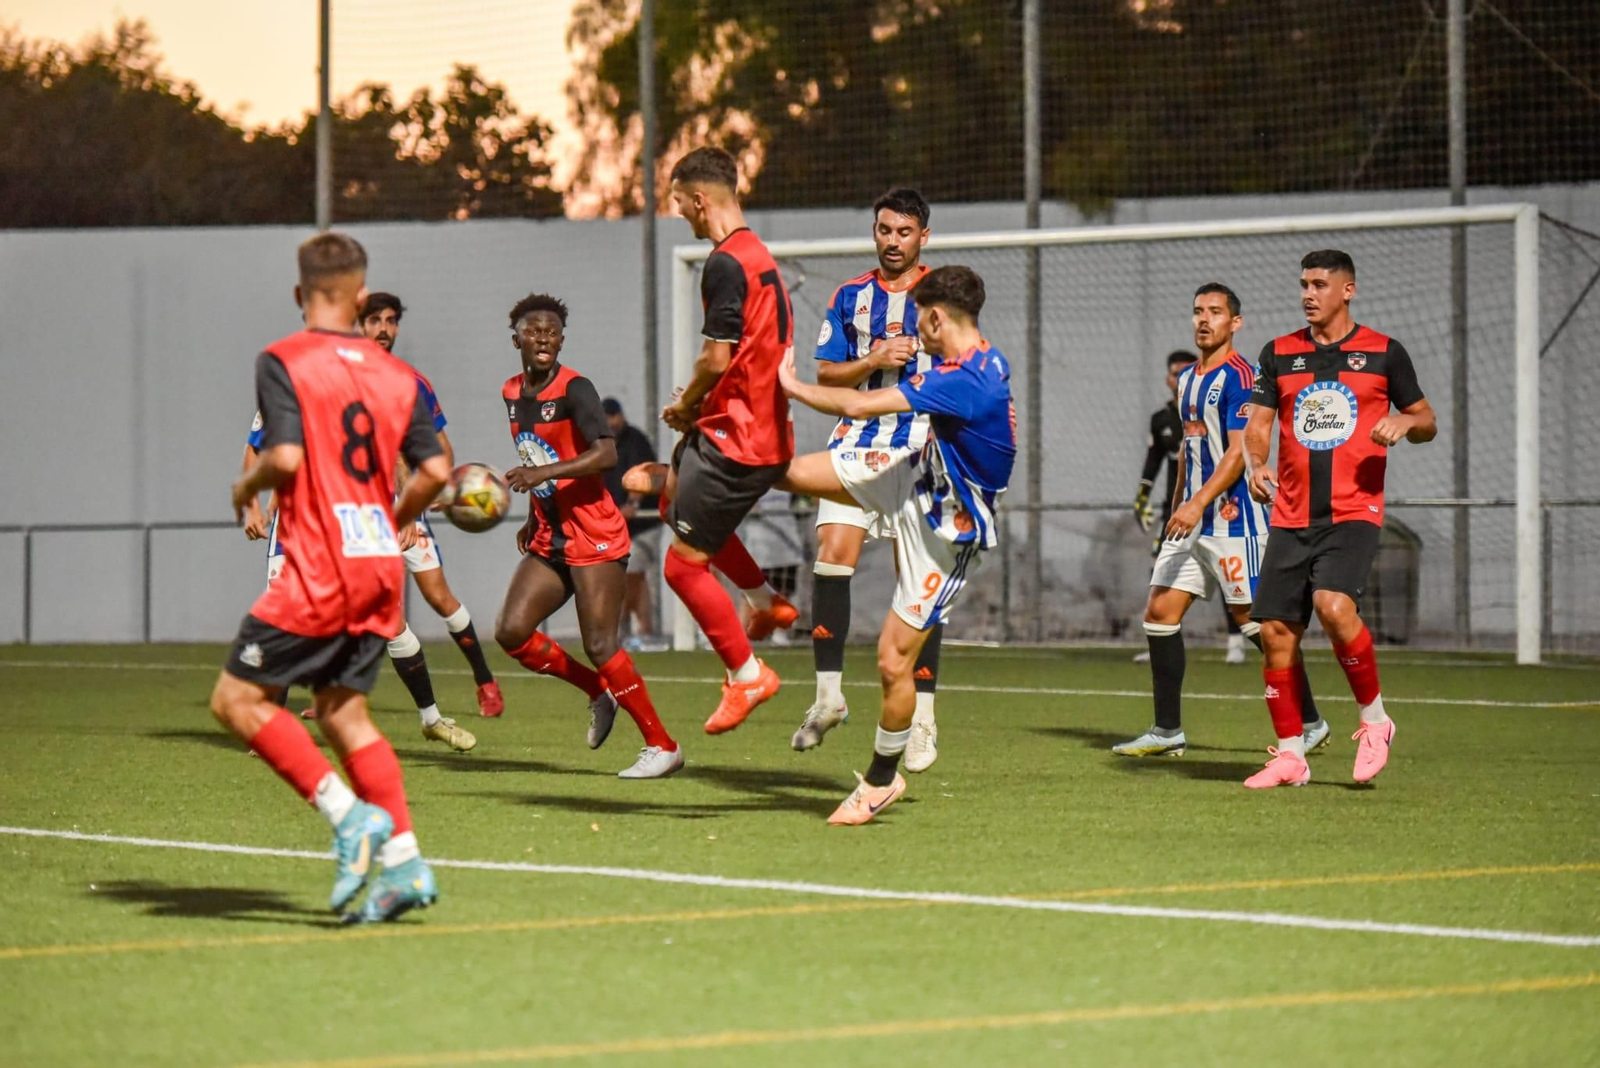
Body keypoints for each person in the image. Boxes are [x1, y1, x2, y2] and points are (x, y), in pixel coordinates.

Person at [209, 231, 446, 922]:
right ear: (363, 297)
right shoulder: (398, 376)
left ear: (299, 295)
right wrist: (392, 519)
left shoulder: (285, 357)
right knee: (344, 711)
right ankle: (403, 863)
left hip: (318, 562)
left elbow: (281, 459)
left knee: (237, 701)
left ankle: (349, 819)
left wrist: (243, 486)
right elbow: (434, 472)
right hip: (379, 565)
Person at [776, 265, 1015, 825]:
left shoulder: (963, 382)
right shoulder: (980, 360)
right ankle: (714, 471)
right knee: (781, 472)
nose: (917, 335)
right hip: (914, 481)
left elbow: (858, 406)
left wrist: (788, 386)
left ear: (935, 318)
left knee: (891, 661)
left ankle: (882, 780)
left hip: (946, 536)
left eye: (921, 323)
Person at [1241, 250, 1436, 789]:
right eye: (1303, 283)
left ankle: (1375, 723)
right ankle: (1289, 756)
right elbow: (1258, 423)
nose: (1308, 293)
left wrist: (1403, 421)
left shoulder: (1384, 352)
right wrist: (1257, 465)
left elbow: (1427, 419)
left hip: (1354, 510)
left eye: (1320, 284)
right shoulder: (1279, 353)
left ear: (1347, 290)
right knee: (1276, 631)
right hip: (1290, 513)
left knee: (1332, 604)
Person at [1113, 284, 1326, 758]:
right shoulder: (1188, 377)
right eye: (1197, 311)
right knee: (1159, 615)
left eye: (1215, 312)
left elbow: (1237, 451)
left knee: (1259, 625)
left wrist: (1199, 503)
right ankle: (1167, 731)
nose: (1203, 319)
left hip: (1233, 521)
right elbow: (1191, 449)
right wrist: (1178, 505)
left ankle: (1310, 720)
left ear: (1236, 322)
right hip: (1190, 521)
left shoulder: (1241, 377)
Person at [492, 294, 682, 778]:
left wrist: (542, 476)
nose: (543, 338)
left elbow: (605, 455)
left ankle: (663, 745)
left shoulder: (577, 389)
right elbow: (538, 458)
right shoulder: (511, 393)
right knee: (511, 631)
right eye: (533, 330)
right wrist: (536, 514)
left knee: (601, 643)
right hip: (550, 533)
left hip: (593, 530)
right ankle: (597, 691)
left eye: (552, 331)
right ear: (515, 337)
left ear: (561, 340)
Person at [792, 187, 947, 773]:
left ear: (922, 238)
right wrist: (876, 356)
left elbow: (965, 363)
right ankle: (828, 697)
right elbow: (828, 373)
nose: (892, 241)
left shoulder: (943, 297)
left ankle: (924, 717)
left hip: (920, 448)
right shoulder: (850, 296)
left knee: (919, 583)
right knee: (832, 556)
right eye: (884, 230)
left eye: (904, 232)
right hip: (856, 443)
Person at [660, 146, 797, 734]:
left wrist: (685, 404)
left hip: (739, 438)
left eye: (679, 204)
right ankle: (766, 602)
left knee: (681, 569)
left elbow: (716, 358)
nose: (680, 216)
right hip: (753, 427)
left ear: (698, 199)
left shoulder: (723, 263)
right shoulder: (756, 253)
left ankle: (747, 675)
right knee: (670, 500)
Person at [1132, 351, 1248, 665]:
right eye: (1173, 372)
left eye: (1184, 370)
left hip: (1221, 509)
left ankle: (1236, 640)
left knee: (1232, 582)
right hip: (1178, 510)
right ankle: (1161, 638)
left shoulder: (1219, 400)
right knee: (1161, 576)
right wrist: (1143, 495)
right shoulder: (1162, 419)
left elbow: (1240, 450)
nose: (1178, 377)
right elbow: (1157, 460)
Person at [601, 398, 662, 643]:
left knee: (631, 574)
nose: (610, 423)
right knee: (634, 578)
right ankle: (646, 631)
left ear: (620, 416)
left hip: (643, 523)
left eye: (613, 417)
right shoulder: (599, 446)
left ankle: (619, 630)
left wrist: (632, 504)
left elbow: (644, 474)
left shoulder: (635, 439)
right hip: (617, 526)